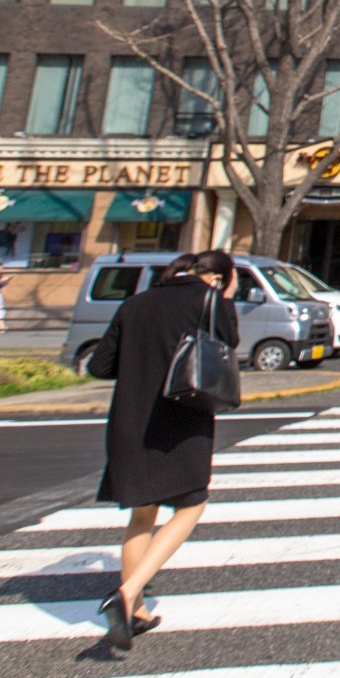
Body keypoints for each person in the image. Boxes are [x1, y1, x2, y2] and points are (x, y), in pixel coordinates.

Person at [86, 250, 241, 651]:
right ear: (220, 278)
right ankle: (127, 592)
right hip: (181, 419)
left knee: (142, 514)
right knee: (191, 505)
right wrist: (224, 300)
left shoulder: (134, 303)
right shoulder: (210, 301)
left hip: (130, 419)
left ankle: (136, 611)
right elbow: (229, 343)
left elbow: (100, 366)